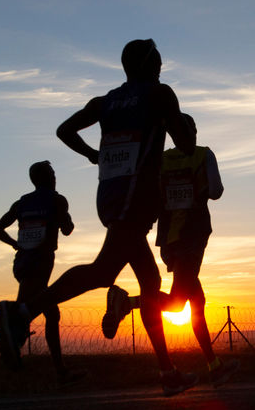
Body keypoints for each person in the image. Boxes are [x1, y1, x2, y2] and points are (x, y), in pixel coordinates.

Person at [0, 39, 199, 396]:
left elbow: (64, 130)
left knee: (150, 285)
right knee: (104, 271)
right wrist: (176, 119)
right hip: (135, 198)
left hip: (109, 195)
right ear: (151, 64)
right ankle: (21, 314)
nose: (163, 66)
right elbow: (184, 144)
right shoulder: (161, 93)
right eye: (160, 60)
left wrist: (93, 154)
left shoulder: (105, 101)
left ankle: (168, 372)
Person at [100, 113, 239, 387]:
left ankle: (214, 365)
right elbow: (217, 191)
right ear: (194, 130)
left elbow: (151, 194)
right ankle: (126, 303)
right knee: (178, 302)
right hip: (193, 236)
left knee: (196, 303)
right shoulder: (203, 155)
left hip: (168, 238)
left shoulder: (161, 160)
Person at [0, 161, 85, 385]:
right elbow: (68, 229)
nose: (55, 176)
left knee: (50, 313)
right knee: (21, 314)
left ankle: (61, 371)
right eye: (52, 173)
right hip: (41, 263)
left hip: (21, 263)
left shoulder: (22, 202)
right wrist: (65, 216)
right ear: (47, 177)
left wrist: (15, 244)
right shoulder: (57, 199)